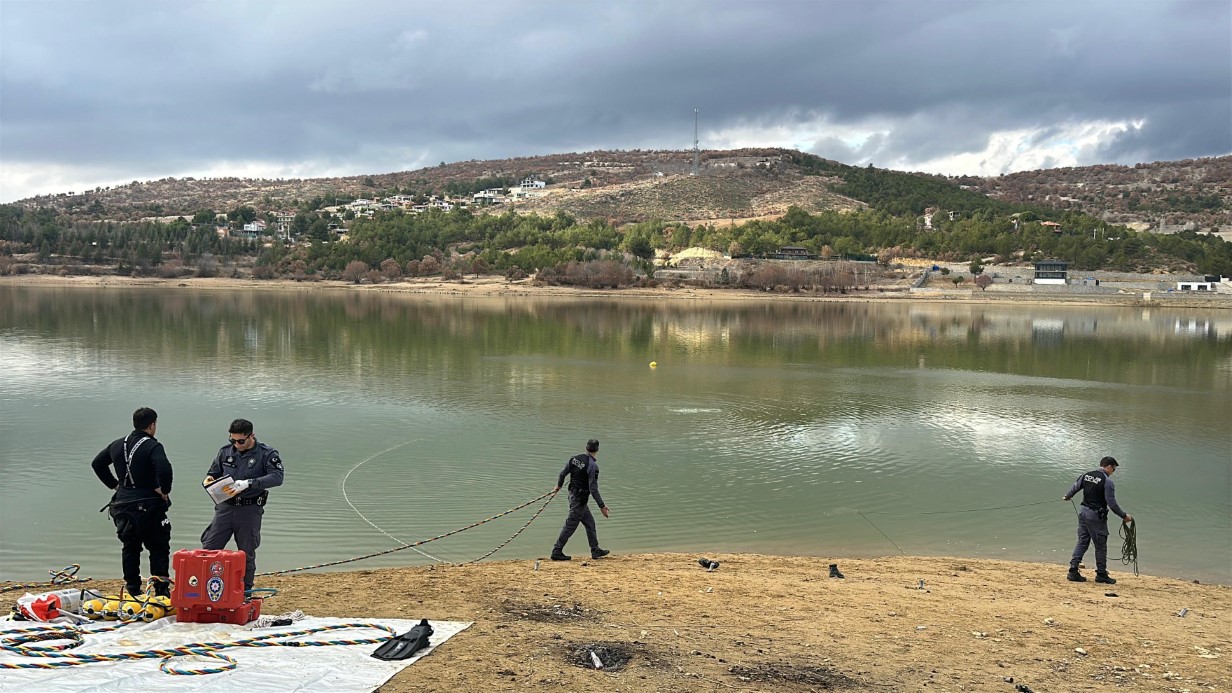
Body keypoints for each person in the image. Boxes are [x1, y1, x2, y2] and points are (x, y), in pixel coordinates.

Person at [91, 407, 173, 597]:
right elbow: (165, 469)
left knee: (130, 548)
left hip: (123, 506)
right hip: (149, 505)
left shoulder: (118, 444)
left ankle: (133, 589)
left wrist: (115, 486)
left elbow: (97, 464)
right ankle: (161, 591)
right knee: (159, 547)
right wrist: (164, 490)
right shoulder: (153, 446)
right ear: (152, 425)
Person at [201, 418, 284, 592]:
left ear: (251, 436)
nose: (236, 444)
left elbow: (277, 477)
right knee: (209, 548)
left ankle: (245, 591)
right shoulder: (225, 452)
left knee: (246, 553)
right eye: (233, 440)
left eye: (240, 441)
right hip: (225, 507)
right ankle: (206, 588)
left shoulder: (266, 453)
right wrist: (208, 480)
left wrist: (249, 483)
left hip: (249, 509)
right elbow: (213, 472)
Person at [1062, 456, 1133, 584]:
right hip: (1096, 516)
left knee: (1082, 541)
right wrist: (1124, 516)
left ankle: (1073, 571)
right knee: (1101, 545)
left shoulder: (1086, 475)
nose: (1113, 472)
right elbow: (1111, 504)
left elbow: (1075, 487)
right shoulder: (1107, 482)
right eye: (1114, 470)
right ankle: (1101, 574)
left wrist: (1068, 496)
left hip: (1083, 512)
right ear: (1109, 467)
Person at [550, 438, 610, 561]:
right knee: (570, 525)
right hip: (579, 500)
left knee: (590, 523)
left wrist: (559, 486)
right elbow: (593, 489)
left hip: (573, 496)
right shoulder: (593, 466)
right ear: (597, 450)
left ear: (586, 447)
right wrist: (602, 506)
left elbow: (563, 474)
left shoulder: (574, 459)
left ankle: (595, 550)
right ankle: (557, 551)